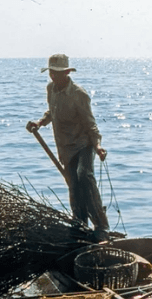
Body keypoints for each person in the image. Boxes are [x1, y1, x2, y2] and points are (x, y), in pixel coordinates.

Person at [26, 53, 110, 242]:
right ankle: (80, 226)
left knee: (84, 177)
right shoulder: (51, 89)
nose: (53, 77)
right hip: (65, 148)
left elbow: (91, 124)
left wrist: (97, 146)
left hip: (84, 146)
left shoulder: (79, 94)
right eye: (51, 73)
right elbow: (52, 111)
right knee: (73, 186)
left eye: (57, 73)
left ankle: (102, 226)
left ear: (66, 72)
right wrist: (39, 123)